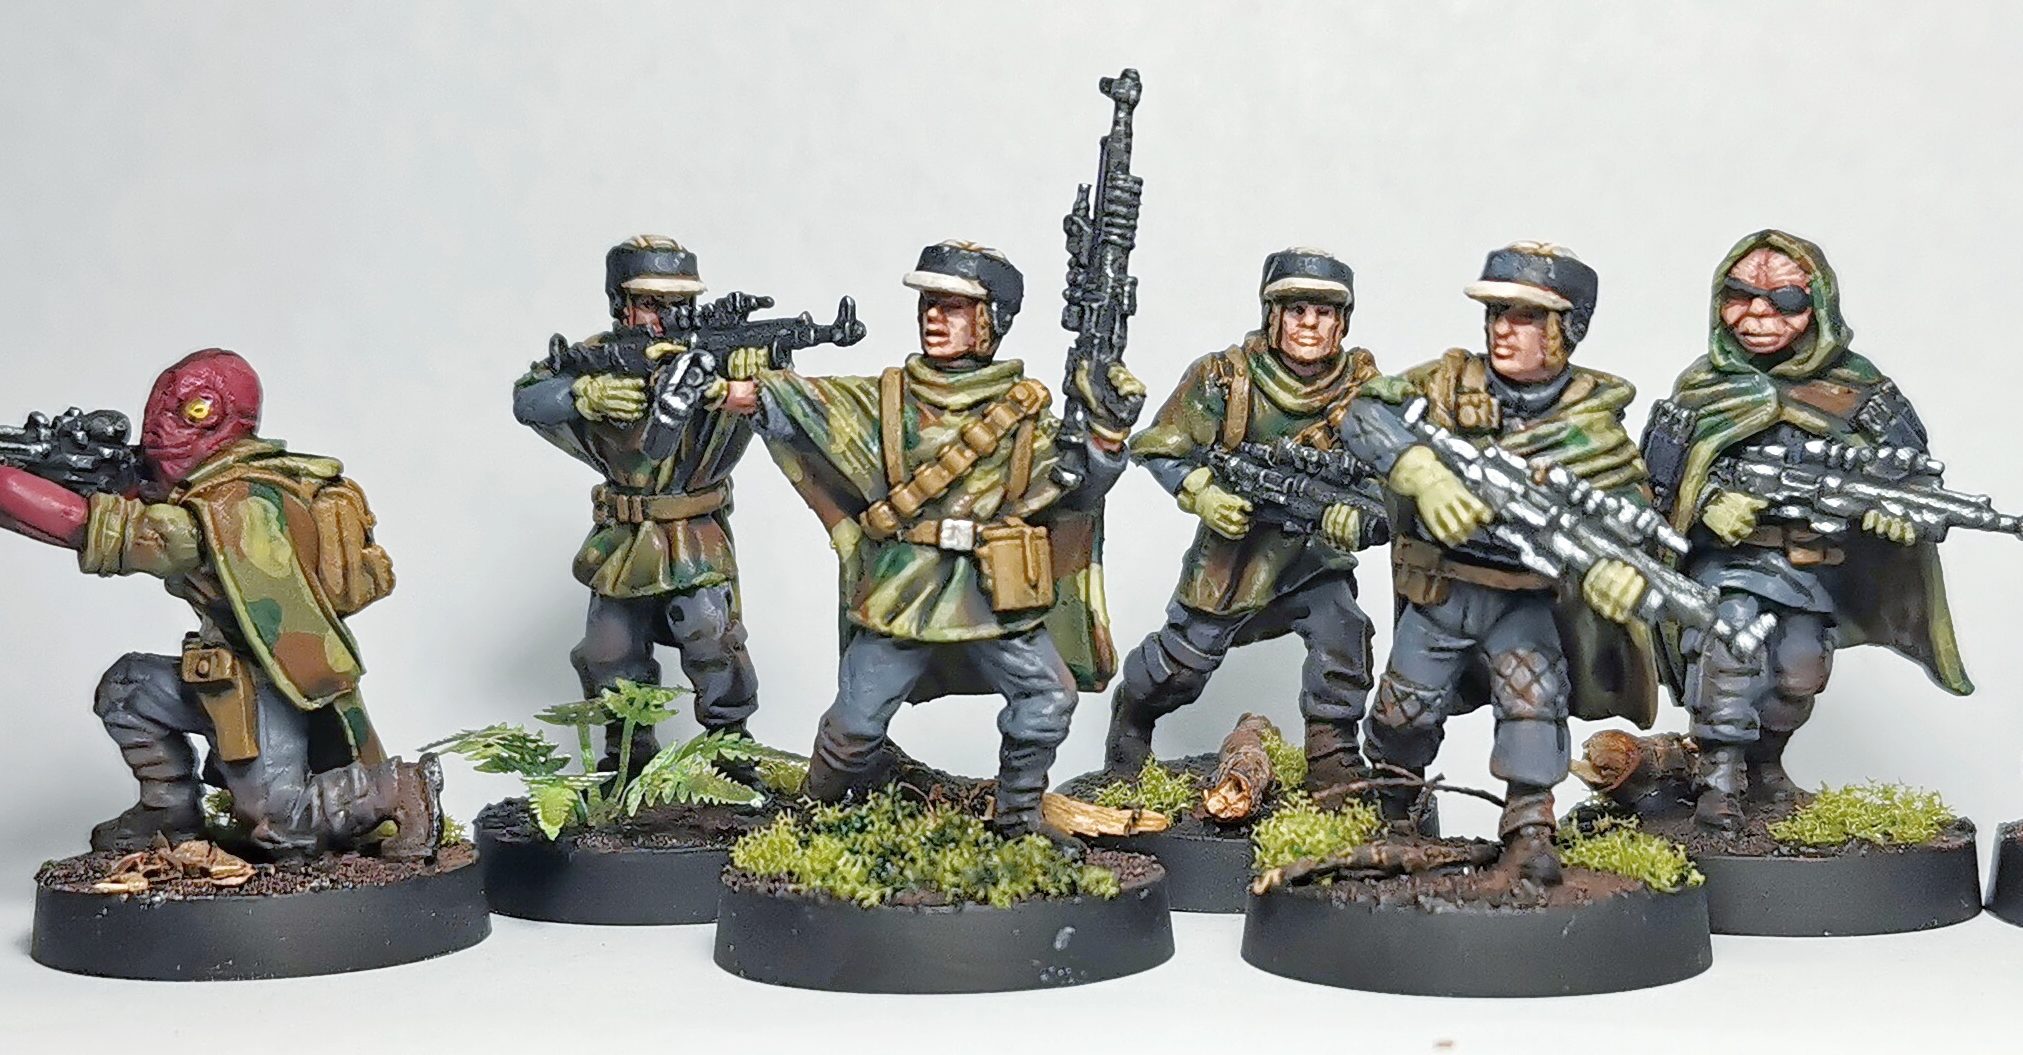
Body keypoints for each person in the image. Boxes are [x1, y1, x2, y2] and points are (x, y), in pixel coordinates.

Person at [0, 348, 439, 858]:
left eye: (193, 412)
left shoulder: (238, 502)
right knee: (129, 689)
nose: (161, 427)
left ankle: (398, 788)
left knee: (278, 820)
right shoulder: (203, 485)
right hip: (221, 674)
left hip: (272, 684)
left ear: (233, 423)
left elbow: (105, 530)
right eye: (159, 408)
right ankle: (169, 812)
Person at [722, 241, 1136, 845]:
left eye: (955, 307)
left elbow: (1075, 487)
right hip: (906, 588)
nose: (935, 317)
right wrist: (737, 385)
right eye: (929, 304)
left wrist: (1108, 432)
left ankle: (1018, 817)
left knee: (1049, 696)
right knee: (855, 725)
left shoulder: (1026, 412)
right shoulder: (885, 399)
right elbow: (798, 405)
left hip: (995, 591)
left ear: (991, 320)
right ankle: (808, 818)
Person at [1340, 241, 1661, 888]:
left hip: (1524, 598)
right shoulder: (1445, 384)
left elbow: (1630, 507)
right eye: (1496, 314)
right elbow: (1364, 412)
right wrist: (1422, 471)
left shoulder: (1591, 423)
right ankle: (1395, 812)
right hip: (1442, 591)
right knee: (1402, 713)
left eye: (1526, 317)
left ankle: (1530, 833)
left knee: (1534, 705)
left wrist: (1622, 564)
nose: (1503, 330)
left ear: (1567, 330)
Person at [1639, 229, 1974, 833]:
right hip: (1728, 564)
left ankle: (1764, 766)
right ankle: (1718, 779)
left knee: (1799, 673)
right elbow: (1654, 484)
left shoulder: (1861, 391)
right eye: (1738, 296)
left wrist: (1896, 512)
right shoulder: (1701, 390)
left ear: (1817, 305)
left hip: (1811, 568)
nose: (1757, 315)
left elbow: (1911, 470)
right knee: (1731, 654)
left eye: (1784, 300)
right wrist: (1707, 501)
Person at [1103, 247, 1383, 794]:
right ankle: (1131, 720)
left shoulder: (1365, 393)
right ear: (1271, 314)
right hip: (1235, 555)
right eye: (1296, 309)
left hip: (1312, 555)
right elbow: (1159, 446)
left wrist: (1357, 514)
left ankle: (1332, 754)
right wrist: (1202, 492)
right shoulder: (1224, 379)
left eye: (1324, 312)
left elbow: (1393, 473)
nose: (1309, 324)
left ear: (1343, 322)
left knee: (1343, 633)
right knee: (1181, 666)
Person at [512, 235, 763, 773]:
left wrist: (750, 382)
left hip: (694, 537)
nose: (667, 317)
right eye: (652, 303)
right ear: (621, 304)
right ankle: (628, 757)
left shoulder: (717, 354)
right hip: (623, 541)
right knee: (609, 651)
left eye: (680, 304)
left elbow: (786, 405)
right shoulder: (601, 356)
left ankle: (732, 753)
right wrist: (584, 395)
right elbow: (529, 396)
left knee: (711, 638)